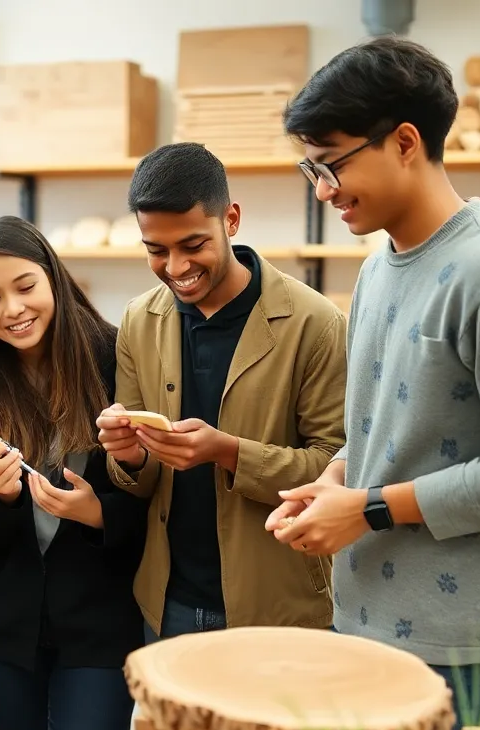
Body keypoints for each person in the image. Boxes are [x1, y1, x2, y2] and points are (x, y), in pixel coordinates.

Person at [273, 36, 480, 730]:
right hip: (368, 616)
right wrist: (336, 479)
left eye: (331, 165)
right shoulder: (380, 267)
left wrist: (372, 508)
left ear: (406, 141)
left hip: (460, 648)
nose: (322, 191)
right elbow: (383, 431)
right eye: (311, 170)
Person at [96, 142, 348, 642]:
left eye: (193, 246)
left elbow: (336, 465)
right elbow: (138, 483)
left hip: (278, 607)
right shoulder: (138, 320)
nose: (175, 267)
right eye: (155, 250)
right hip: (168, 604)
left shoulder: (314, 323)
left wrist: (229, 453)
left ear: (230, 220)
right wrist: (127, 458)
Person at [0, 215, 145, 730]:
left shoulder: (117, 358)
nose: (12, 309)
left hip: (100, 625)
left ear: (52, 276)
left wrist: (96, 514)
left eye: (26, 287)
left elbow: (159, 504)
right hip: (6, 632)